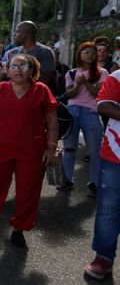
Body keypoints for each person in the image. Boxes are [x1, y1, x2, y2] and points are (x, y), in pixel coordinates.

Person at [0, 55, 59, 247]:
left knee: (28, 191)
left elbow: (52, 120)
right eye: (13, 66)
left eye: (23, 65)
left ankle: (19, 228)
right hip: (2, 148)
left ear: (32, 69)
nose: (18, 70)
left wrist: (52, 147)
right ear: (7, 70)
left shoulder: (41, 90)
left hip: (33, 150)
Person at [57, 42, 108, 198]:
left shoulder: (102, 73)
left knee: (95, 151)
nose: (90, 55)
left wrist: (85, 82)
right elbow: (69, 95)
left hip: (91, 113)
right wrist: (78, 85)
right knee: (69, 148)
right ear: (80, 54)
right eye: (86, 52)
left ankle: (95, 183)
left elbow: (99, 94)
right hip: (72, 112)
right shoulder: (71, 73)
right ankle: (67, 180)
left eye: (93, 53)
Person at [83, 69, 120, 280]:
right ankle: (104, 258)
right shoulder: (117, 77)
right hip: (116, 154)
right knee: (109, 210)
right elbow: (104, 104)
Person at [8, 21, 56, 90]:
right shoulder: (13, 52)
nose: (14, 34)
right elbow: (7, 75)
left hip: (36, 95)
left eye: (17, 32)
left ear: (27, 34)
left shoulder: (45, 52)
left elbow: (45, 79)